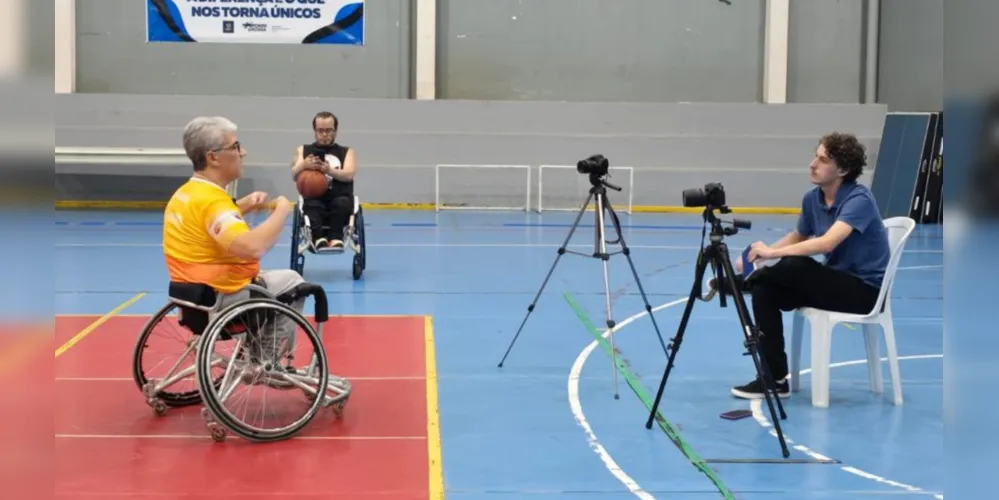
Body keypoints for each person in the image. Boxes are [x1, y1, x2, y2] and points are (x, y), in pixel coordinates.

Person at [730, 132, 891, 400]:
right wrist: (760, 257)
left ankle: (738, 284)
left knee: (797, 265)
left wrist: (773, 252)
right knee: (765, 291)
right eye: (815, 156)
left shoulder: (859, 199)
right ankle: (774, 379)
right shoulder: (812, 198)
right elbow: (798, 236)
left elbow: (827, 243)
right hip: (832, 285)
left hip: (865, 293)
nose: (812, 164)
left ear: (843, 169)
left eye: (823, 159)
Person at [163, 116, 303, 362]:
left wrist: (242, 205)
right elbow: (252, 247)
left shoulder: (186, 193)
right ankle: (264, 359)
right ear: (213, 157)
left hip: (189, 296)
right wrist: (281, 211)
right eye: (236, 147)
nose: (243, 152)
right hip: (221, 297)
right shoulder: (213, 202)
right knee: (292, 281)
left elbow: (206, 224)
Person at [290, 111, 357, 249]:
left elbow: (349, 174)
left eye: (329, 130)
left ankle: (335, 237)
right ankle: (318, 237)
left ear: (336, 131)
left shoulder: (347, 151)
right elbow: (293, 174)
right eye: (320, 130)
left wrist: (329, 171)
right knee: (310, 205)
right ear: (314, 130)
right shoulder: (303, 150)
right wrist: (303, 165)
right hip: (314, 199)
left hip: (339, 198)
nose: (325, 134)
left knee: (342, 203)